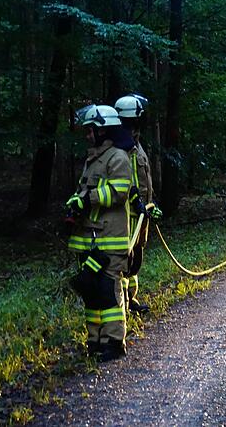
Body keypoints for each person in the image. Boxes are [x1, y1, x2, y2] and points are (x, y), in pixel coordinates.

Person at [66, 105, 133, 361]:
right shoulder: (93, 159)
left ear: (103, 130)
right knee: (91, 293)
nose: (87, 135)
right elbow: (84, 191)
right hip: (91, 240)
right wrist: (75, 203)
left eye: (90, 130)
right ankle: (95, 341)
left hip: (109, 239)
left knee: (107, 291)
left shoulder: (118, 158)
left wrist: (89, 199)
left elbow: (119, 191)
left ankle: (114, 342)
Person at [115, 93, 162, 315]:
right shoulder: (121, 147)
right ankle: (123, 303)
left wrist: (152, 202)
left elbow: (144, 177)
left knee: (136, 260)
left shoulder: (136, 142)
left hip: (142, 213)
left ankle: (131, 299)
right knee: (126, 260)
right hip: (127, 216)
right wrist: (136, 202)